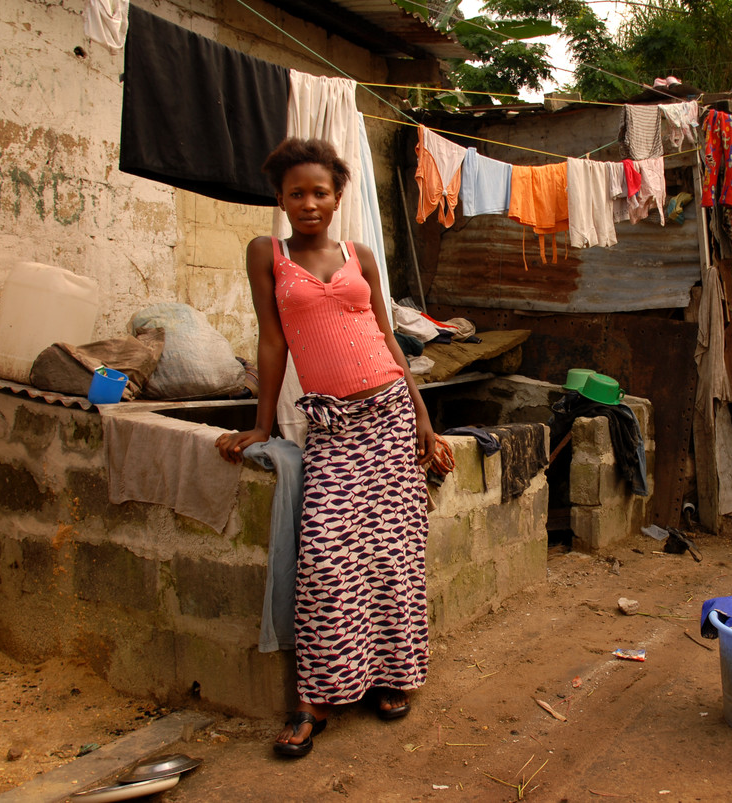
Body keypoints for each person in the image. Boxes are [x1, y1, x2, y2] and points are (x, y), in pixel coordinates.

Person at [215, 137, 435, 758]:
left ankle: (391, 677)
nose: (308, 203)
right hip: (334, 428)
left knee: (395, 553)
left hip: (391, 414)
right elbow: (272, 342)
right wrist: (262, 425)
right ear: (280, 199)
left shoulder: (357, 254)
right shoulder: (268, 254)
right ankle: (316, 699)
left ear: (338, 197)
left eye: (320, 192)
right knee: (326, 560)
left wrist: (422, 417)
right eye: (296, 193)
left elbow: (387, 337)